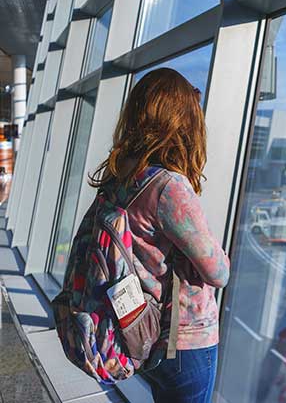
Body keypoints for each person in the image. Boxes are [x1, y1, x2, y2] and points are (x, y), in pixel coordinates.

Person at [88, 68, 230, 403]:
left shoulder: (121, 179)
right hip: (184, 340)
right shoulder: (169, 187)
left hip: (142, 329)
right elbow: (217, 272)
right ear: (183, 123)